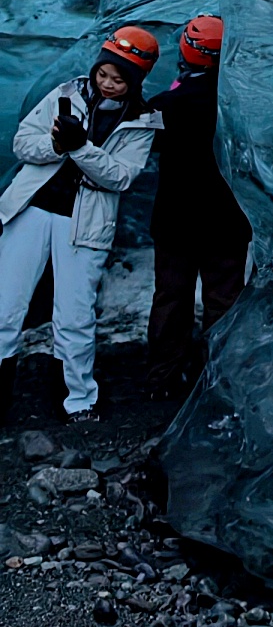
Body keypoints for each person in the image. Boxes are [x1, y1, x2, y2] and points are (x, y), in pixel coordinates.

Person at [0, 26, 160, 424]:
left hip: (85, 223)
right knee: (5, 306)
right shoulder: (66, 94)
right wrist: (55, 145)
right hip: (32, 211)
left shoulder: (143, 121)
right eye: (103, 74)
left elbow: (121, 177)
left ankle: (79, 400)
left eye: (118, 79)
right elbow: (23, 143)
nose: (107, 84)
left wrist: (79, 147)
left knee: (74, 315)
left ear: (135, 80)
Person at [145, 14, 252, 397]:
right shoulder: (240, 104)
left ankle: (162, 380)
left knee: (170, 300)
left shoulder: (168, 104)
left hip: (175, 220)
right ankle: (217, 382)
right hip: (226, 221)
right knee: (223, 301)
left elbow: (148, 141)